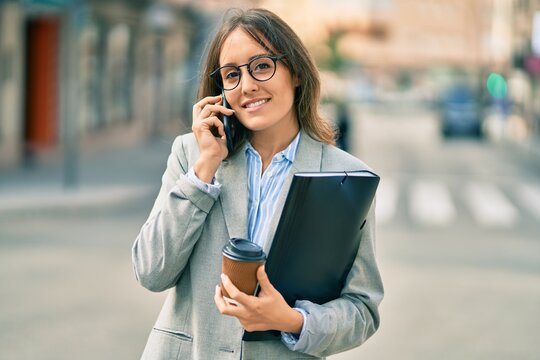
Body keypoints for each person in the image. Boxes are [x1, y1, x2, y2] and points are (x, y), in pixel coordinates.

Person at [132, 8, 383, 360]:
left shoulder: (345, 177)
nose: (247, 85)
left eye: (262, 66)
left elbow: (362, 310)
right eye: (231, 74)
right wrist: (204, 168)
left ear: (295, 71)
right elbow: (151, 271)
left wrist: (293, 320)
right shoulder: (191, 155)